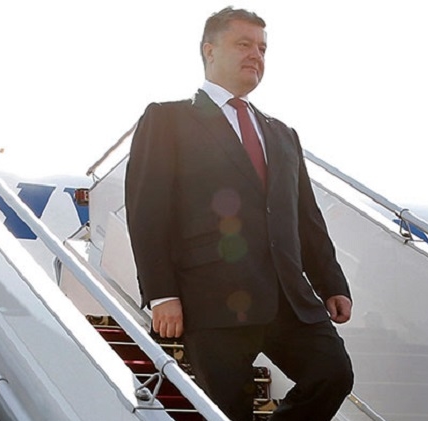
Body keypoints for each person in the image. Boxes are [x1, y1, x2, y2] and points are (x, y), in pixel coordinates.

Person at [125, 6, 354, 421]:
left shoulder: (283, 134)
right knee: (228, 411)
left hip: (288, 298)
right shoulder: (168, 119)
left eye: (262, 48)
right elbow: (147, 212)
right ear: (209, 50)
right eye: (244, 44)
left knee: (333, 375)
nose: (256, 55)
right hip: (211, 299)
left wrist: (331, 282)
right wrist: (162, 293)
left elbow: (306, 218)